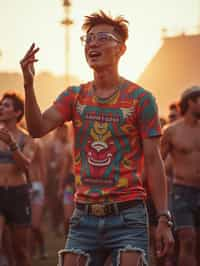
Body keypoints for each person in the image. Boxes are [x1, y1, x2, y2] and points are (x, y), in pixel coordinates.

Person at [20, 10, 174, 266]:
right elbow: (37, 129)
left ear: (121, 49)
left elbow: (154, 161)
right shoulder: (74, 96)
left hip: (128, 214)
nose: (92, 43)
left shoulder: (141, 99)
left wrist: (163, 219)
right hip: (83, 216)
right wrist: (28, 84)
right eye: (88, 38)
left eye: (103, 37)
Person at [161, 86, 200, 266]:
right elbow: (158, 162)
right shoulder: (172, 131)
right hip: (182, 192)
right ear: (191, 102)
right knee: (188, 240)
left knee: (197, 245)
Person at [0, 92, 36, 266]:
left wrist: (12, 144)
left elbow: (26, 166)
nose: (1, 107)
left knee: (20, 251)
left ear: (17, 112)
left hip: (18, 195)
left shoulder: (27, 138)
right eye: (1, 104)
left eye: (6, 105)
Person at [29, 138, 48, 260]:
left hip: (36, 186)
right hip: (21, 186)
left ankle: (41, 247)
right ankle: (31, 251)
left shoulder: (37, 143)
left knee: (35, 225)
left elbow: (42, 167)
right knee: (24, 225)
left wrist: (42, 188)